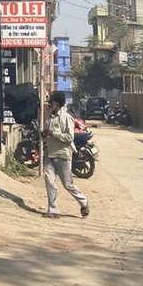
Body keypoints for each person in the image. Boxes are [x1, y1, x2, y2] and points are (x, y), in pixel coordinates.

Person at [43, 90, 90, 219]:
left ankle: (84, 201)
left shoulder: (67, 117)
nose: (50, 104)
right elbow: (47, 132)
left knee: (68, 184)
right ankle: (53, 209)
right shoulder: (50, 116)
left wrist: (53, 134)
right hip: (50, 153)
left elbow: (69, 137)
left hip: (63, 155)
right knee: (49, 181)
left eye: (52, 101)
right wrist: (44, 135)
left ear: (57, 103)